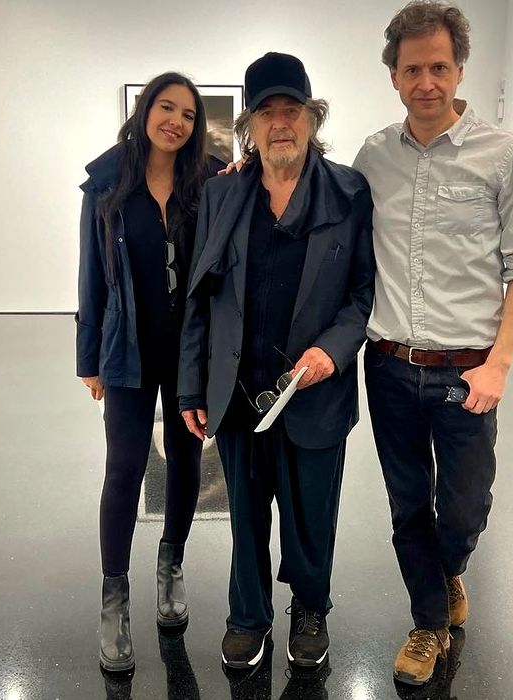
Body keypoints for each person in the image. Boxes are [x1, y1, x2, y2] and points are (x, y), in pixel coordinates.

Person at [351, 1, 513, 685]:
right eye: (412, 70)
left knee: (464, 509)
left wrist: (500, 364)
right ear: (394, 77)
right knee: (408, 505)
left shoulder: (507, 155)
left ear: (460, 69)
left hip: (468, 371)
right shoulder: (373, 156)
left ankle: (450, 568)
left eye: (438, 67)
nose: (426, 82)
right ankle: (428, 623)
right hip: (388, 364)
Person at [177, 52, 375, 671]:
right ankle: (247, 615)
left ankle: (310, 608)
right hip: (240, 389)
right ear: (249, 127)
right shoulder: (222, 193)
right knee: (244, 514)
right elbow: (200, 295)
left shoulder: (349, 191)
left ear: (313, 118)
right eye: (266, 112)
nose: (280, 123)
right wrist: (190, 388)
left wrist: (332, 352)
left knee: (312, 513)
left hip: (313, 390)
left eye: (292, 110)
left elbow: (363, 294)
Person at [76, 71, 225, 673]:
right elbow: (91, 273)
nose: (176, 122)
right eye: (167, 108)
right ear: (144, 111)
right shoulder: (107, 181)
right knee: (124, 468)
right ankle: (114, 599)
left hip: (190, 351)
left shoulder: (210, 181)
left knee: (187, 460)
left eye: (188, 114)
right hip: (127, 350)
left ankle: (171, 566)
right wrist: (89, 357)